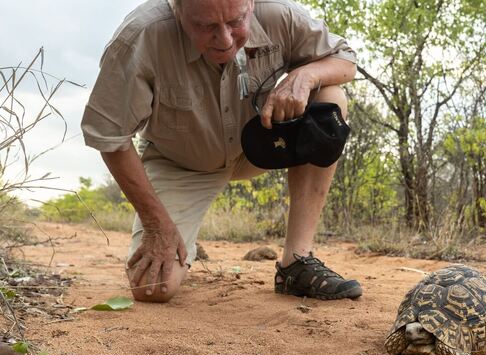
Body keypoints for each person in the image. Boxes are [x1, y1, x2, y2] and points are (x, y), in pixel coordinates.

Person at [81, 0, 362, 302]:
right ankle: (175, 238)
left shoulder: (279, 13)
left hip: (262, 146)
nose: (226, 40)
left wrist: (304, 77)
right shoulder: (141, 35)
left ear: (251, 4)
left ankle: (297, 261)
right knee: (152, 288)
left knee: (330, 99)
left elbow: (345, 60)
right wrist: (156, 224)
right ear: (176, 10)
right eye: (206, 26)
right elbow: (109, 135)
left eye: (236, 21)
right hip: (181, 162)